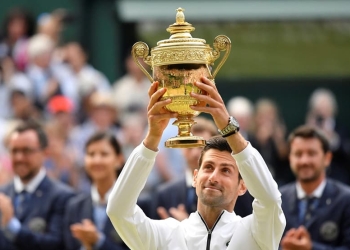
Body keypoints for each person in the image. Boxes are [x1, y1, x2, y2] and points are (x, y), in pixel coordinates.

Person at [107, 77, 286, 249]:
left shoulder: (255, 233)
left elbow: (270, 200)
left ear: (242, 186)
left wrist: (229, 129)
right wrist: (152, 138)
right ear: (195, 177)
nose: (214, 177)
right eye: (208, 167)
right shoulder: (167, 234)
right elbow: (118, 210)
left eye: (226, 171)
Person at [153, 116, 254, 220]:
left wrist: (186, 227)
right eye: (190, 146)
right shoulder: (165, 194)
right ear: (181, 149)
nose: (195, 153)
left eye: (202, 146)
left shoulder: (236, 192)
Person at [0, 120, 75, 250]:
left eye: (27, 151)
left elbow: (57, 244)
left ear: (45, 153)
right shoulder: (3, 194)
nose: (19, 157)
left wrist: (12, 226)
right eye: (14, 151)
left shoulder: (63, 197)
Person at [279, 125, 350, 250]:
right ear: (290, 158)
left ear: (327, 158)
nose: (304, 160)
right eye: (298, 154)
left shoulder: (345, 200)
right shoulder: (278, 199)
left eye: (311, 153)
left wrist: (311, 248)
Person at [64, 132, 128, 250]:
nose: (97, 160)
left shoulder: (135, 205)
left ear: (119, 160)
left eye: (104, 154)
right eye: (91, 154)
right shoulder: (75, 206)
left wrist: (98, 241)